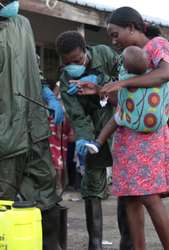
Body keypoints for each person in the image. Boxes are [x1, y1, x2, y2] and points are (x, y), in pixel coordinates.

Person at [0, 1, 65, 249]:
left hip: (35, 130)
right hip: (4, 138)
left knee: (47, 199)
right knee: (1, 209)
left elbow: (32, 68)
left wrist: (46, 92)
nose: (15, 4)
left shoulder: (23, 24)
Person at [78, 7, 169, 250]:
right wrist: (99, 90)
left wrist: (122, 81)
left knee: (149, 197)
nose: (113, 41)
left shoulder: (158, 45)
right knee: (130, 198)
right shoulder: (122, 58)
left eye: (116, 35)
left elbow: (164, 74)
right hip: (126, 137)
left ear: (132, 28)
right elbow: (125, 102)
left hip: (150, 136)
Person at [55, 30, 131, 250]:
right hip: (94, 132)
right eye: (66, 62)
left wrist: (101, 81)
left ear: (86, 50)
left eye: (77, 60)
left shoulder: (106, 55)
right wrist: (85, 139)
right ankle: (94, 244)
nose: (73, 65)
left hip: (121, 126)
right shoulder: (65, 80)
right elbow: (77, 117)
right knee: (91, 186)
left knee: (125, 185)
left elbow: (127, 82)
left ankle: (127, 240)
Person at [85, 46, 169, 154]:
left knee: (116, 119)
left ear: (126, 69)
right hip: (158, 121)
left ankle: (98, 142)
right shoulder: (154, 77)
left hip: (132, 122)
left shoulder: (125, 79)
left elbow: (119, 100)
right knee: (166, 104)